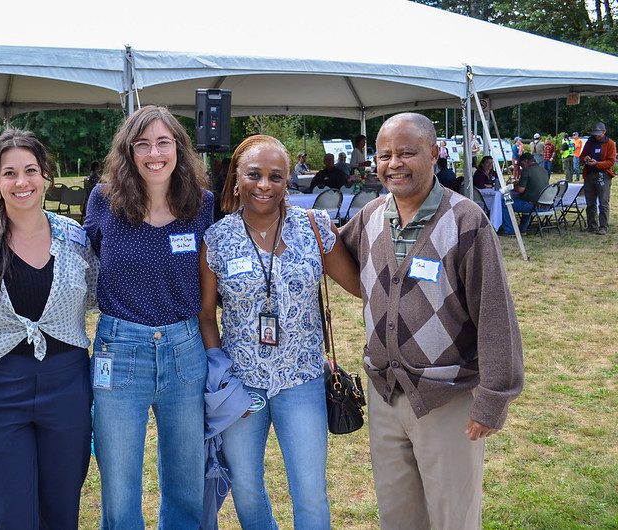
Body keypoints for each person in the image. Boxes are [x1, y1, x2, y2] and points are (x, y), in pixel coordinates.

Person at [339, 112, 524, 530]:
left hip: (446, 396)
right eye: (385, 154)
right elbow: (335, 253)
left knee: (452, 516)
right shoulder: (370, 215)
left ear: (436, 154)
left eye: (408, 152)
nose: (394, 163)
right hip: (385, 393)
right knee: (398, 514)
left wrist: (494, 397)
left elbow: (495, 315)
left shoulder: (466, 222)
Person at [0, 129, 99, 529]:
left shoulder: (75, 239)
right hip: (1, 391)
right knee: (13, 516)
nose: (21, 182)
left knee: (62, 511)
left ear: (47, 175)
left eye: (31, 170)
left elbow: (101, 295)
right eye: (10, 173)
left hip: (67, 387)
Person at [199, 134, 360, 529]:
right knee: (246, 487)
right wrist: (219, 373)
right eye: (254, 174)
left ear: (288, 180)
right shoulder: (218, 239)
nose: (264, 185)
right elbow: (205, 314)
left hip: (301, 379)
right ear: (236, 178)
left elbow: (361, 286)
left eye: (276, 176)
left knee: (309, 491)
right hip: (241, 384)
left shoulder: (313, 228)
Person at [84, 105, 213, 528]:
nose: (154, 153)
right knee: (119, 483)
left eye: (163, 142)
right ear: (128, 152)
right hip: (119, 350)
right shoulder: (105, 200)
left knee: (187, 480)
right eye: (142, 144)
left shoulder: (202, 204)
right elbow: (81, 260)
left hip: (184, 350)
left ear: (178, 147)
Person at [500, 152, 549, 236]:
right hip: (546, 205)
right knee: (524, 199)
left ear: (525, 161)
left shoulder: (527, 170)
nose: (521, 167)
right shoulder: (543, 170)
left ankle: (509, 230)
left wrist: (512, 186)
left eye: (521, 165)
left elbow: (520, 189)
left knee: (504, 202)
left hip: (532, 205)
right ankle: (522, 229)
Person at [580, 122, 615, 235]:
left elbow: (611, 161)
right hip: (589, 175)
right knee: (590, 203)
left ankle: (603, 227)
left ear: (604, 132)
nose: (596, 136)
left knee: (603, 202)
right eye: (595, 134)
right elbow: (581, 156)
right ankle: (591, 225)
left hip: (603, 176)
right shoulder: (590, 142)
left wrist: (597, 163)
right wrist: (585, 159)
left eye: (599, 134)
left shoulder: (610, 143)